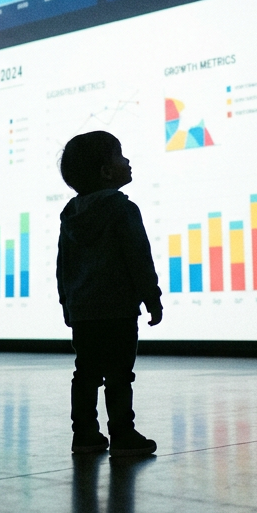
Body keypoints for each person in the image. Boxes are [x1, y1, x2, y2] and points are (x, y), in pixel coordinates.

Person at [56, 131, 163, 457]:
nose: (127, 161)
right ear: (106, 172)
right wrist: (152, 297)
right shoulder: (122, 209)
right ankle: (122, 433)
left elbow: (63, 265)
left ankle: (85, 434)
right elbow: (138, 258)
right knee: (119, 374)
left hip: (84, 311)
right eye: (120, 155)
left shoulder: (70, 214)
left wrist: (67, 302)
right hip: (118, 309)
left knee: (85, 373)